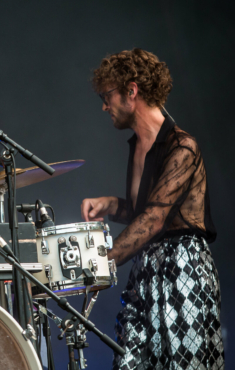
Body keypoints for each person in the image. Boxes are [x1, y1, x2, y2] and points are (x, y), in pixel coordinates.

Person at [80, 49, 223, 370]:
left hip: (182, 271)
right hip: (146, 270)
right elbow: (143, 212)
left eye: (108, 96)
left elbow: (156, 219)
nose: (104, 106)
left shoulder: (182, 147)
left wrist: (103, 262)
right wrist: (110, 205)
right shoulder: (137, 145)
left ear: (132, 91)